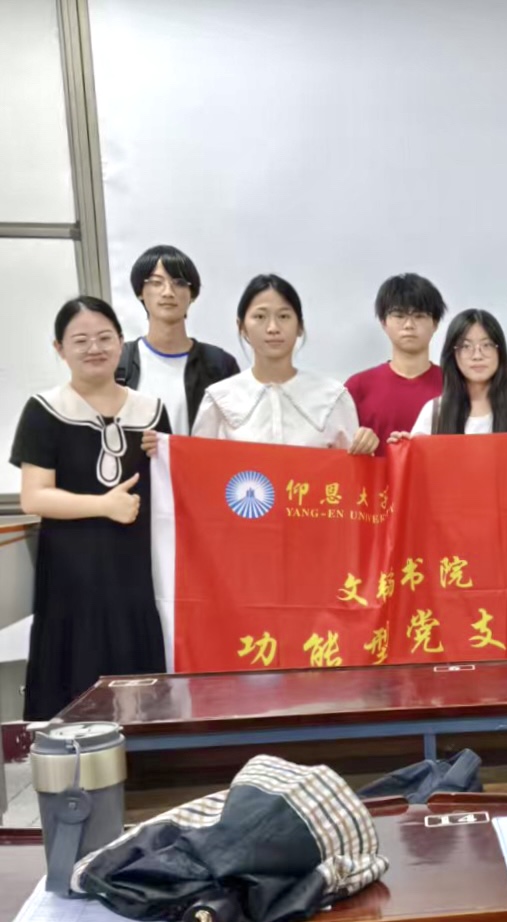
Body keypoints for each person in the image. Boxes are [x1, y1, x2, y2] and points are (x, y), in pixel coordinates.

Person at [11, 296, 169, 720]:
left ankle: (145, 753)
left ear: (120, 341)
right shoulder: (44, 410)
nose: (94, 348)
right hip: (71, 573)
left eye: (104, 337)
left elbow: (172, 490)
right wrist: (103, 505)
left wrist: (167, 453)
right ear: (59, 348)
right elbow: (35, 496)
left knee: (140, 684)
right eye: (80, 340)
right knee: (73, 678)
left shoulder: (151, 412)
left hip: (136, 570)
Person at [191, 274, 378, 453]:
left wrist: (364, 448)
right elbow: (197, 466)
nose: (273, 328)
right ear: (242, 327)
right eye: (260, 317)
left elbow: (350, 471)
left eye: (283, 316)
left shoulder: (332, 398)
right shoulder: (219, 400)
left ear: (300, 326)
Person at [115, 245, 239, 434]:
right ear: (140, 291)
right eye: (156, 282)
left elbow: (235, 435)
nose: (168, 292)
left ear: (192, 294)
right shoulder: (118, 361)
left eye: (179, 283)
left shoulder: (220, 365)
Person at [401, 308, 507, 441]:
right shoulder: (435, 413)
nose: (477, 355)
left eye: (487, 345)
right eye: (466, 346)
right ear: (452, 354)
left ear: (500, 352)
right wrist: (404, 447)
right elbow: (417, 468)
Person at [345, 273, 445, 452]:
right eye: (399, 315)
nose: (409, 325)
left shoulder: (455, 385)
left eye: (419, 316)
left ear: (435, 323)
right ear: (384, 322)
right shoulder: (358, 387)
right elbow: (338, 451)